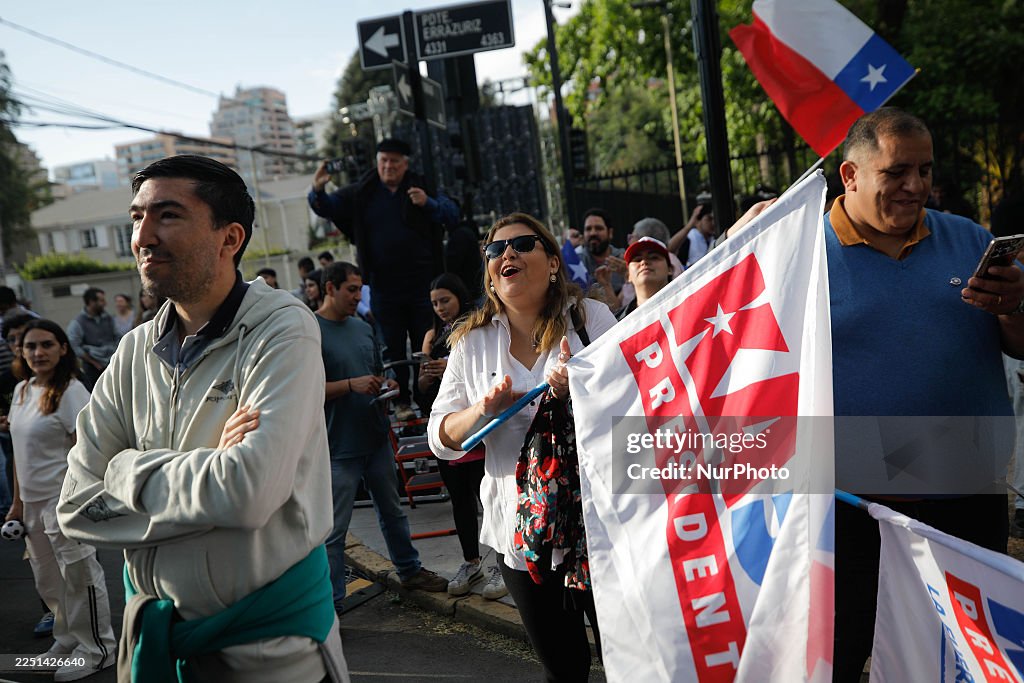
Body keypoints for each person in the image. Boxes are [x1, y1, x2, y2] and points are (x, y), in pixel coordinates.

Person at [56, 155, 348, 682]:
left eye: (167, 215)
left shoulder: (281, 329)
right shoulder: (133, 352)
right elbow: (75, 508)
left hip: (271, 652)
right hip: (156, 643)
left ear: (229, 237)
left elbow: (248, 491)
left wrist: (125, 470)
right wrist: (208, 466)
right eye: (136, 217)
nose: (144, 235)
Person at [826, 108, 1024, 682]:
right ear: (851, 176)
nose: (916, 185)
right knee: (839, 650)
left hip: (966, 492)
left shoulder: (969, 238)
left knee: (966, 655)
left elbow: (1020, 347)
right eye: (897, 172)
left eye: (925, 170)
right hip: (851, 504)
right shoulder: (802, 256)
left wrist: (1013, 305)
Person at [428, 213, 617, 681]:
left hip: (601, 526)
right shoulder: (471, 343)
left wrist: (584, 388)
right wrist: (482, 410)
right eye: (495, 250)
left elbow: (634, 403)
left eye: (521, 244)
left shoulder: (589, 318)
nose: (505, 254)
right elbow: (441, 439)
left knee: (628, 658)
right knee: (564, 669)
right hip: (520, 535)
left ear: (553, 262)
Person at [315, 261, 447, 611]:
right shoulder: (310, 330)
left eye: (360, 289)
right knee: (334, 531)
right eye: (351, 290)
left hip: (374, 436)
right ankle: (332, 604)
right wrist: (349, 385)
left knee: (393, 511)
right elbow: (304, 389)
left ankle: (409, 570)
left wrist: (385, 386)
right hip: (337, 446)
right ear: (330, 288)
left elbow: (373, 372)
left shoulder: (361, 327)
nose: (358, 296)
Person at [309, 138, 459, 422]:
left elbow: (452, 214)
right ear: (377, 163)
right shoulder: (363, 192)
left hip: (421, 285)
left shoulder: (421, 187)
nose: (388, 166)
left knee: (426, 344)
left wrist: (427, 204)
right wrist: (318, 188)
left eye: (394, 161)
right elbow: (327, 206)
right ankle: (401, 400)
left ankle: (429, 400)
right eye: (383, 161)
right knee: (389, 345)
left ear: (405, 164)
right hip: (383, 286)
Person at [4, 319, 117, 681]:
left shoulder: (71, 392)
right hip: (34, 506)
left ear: (63, 348)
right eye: (31, 346)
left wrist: (81, 502)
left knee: (80, 576)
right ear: (20, 352)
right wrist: (18, 504)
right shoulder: (23, 390)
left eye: (47, 345)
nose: (38, 352)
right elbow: (21, 456)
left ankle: (99, 649)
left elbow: (86, 453)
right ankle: (66, 641)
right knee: (49, 582)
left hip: (63, 501)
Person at [417, 273, 507, 600]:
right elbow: (421, 393)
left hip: (477, 430)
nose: (440, 308)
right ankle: (471, 561)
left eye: (445, 300)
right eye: (435, 303)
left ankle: (502, 562)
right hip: (446, 431)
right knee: (460, 501)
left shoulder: (479, 330)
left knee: (489, 498)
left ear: (459, 297)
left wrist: (454, 374)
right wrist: (426, 379)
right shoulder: (432, 337)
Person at [66, 288, 120, 391]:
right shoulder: (78, 322)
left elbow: (118, 336)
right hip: (93, 368)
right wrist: (95, 363)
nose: (105, 303)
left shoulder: (108, 318)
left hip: (112, 363)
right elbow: (74, 345)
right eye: (101, 300)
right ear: (91, 302)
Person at [579, 208, 626, 307]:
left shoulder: (624, 260)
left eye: (598, 228)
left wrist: (629, 273)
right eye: (588, 229)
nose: (593, 233)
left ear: (610, 233)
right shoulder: (576, 263)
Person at [617, 237, 673, 320]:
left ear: (670, 269)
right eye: (638, 259)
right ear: (628, 275)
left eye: (654, 257)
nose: (644, 262)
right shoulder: (616, 324)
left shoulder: (690, 304)